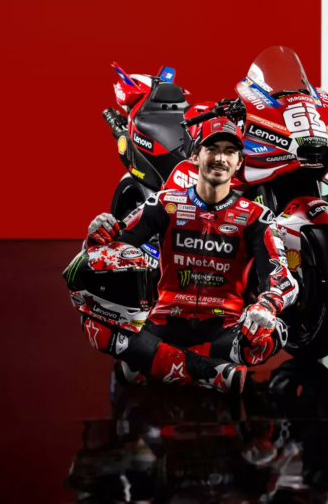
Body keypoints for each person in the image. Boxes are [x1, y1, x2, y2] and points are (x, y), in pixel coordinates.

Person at [81, 116, 298, 392]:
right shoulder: (164, 203)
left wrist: (267, 306)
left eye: (230, 151)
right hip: (163, 320)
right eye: (212, 149)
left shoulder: (258, 217)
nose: (220, 158)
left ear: (239, 163)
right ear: (195, 156)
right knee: (93, 320)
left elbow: (283, 279)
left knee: (272, 333)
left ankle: (154, 362)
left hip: (224, 326)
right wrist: (98, 234)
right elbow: (104, 251)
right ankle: (206, 370)